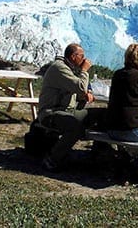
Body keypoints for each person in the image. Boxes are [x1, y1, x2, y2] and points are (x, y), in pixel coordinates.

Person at [37, 43, 104, 171]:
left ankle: (100, 154)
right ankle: (52, 159)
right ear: (74, 56)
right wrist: (84, 71)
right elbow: (80, 87)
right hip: (51, 113)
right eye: (82, 56)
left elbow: (79, 90)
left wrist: (85, 95)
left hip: (68, 111)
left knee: (99, 115)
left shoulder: (69, 68)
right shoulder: (59, 68)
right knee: (75, 127)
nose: (84, 59)